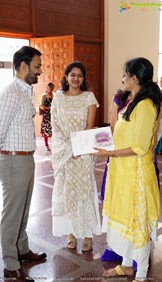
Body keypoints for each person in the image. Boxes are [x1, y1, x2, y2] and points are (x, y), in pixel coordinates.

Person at [94, 57, 162, 282]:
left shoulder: (145, 106)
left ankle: (142, 277)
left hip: (136, 176)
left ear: (134, 78)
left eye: (124, 74)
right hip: (123, 172)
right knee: (124, 221)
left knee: (137, 224)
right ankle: (125, 264)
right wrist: (104, 145)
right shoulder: (133, 102)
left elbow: (141, 146)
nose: (122, 79)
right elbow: (120, 133)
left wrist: (109, 152)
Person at [0, 46, 47, 282]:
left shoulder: (26, 91)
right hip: (13, 160)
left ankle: (22, 249)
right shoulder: (10, 92)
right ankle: (10, 264)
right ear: (24, 65)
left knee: (23, 211)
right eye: (37, 66)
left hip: (26, 158)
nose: (40, 71)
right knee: (12, 214)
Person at [51, 61, 101, 252]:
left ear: (83, 78)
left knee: (85, 191)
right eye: (72, 74)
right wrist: (67, 148)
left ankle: (88, 234)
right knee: (67, 192)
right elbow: (55, 127)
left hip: (83, 152)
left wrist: (78, 149)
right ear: (66, 76)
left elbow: (89, 128)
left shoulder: (89, 97)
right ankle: (71, 233)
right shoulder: (58, 98)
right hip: (64, 153)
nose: (76, 78)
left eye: (79, 75)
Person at [40, 82, 54, 151]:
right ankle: (46, 145)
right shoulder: (44, 95)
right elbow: (42, 106)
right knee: (46, 129)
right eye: (50, 87)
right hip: (46, 115)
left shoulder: (54, 95)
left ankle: (53, 144)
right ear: (47, 88)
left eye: (52, 88)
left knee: (53, 129)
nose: (51, 89)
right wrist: (49, 108)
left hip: (53, 115)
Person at [155, 76, 162, 154]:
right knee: (159, 128)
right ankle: (158, 148)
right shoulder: (160, 91)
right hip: (160, 111)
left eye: (161, 81)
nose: (160, 83)